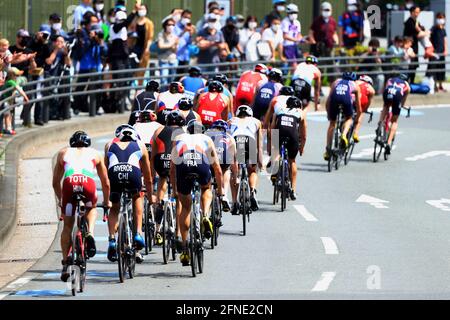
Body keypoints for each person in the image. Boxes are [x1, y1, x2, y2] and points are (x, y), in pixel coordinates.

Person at [52, 131, 111, 282]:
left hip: (69, 183)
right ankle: (90, 233)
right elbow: (105, 182)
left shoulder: (63, 152)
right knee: (91, 208)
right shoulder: (94, 153)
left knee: (67, 225)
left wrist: (61, 200)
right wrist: (106, 201)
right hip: (87, 183)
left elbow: (55, 182)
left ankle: (65, 263)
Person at [170, 120, 224, 265]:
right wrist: (221, 190)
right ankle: (205, 214)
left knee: (186, 208)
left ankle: (185, 247)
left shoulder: (179, 138)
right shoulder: (206, 139)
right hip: (200, 162)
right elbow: (217, 169)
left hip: (184, 164)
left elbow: (172, 169)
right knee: (206, 188)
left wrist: (175, 190)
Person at [105, 125, 153, 263]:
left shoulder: (109, 144)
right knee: (137, 196)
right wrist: (150, 195)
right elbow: (148, 177)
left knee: (115, 207)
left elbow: (106, 169)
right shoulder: (140, 145)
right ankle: (138, 233)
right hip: (133, 174)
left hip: (115, 174)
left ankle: (112, 240)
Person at [269, 96, 306, 200]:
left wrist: (272, 143)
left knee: (276, 153)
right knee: (292, 160)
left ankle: (275, 171)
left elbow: (272, 126)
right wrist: (301, 147)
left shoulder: (279, 109)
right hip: (292, 135)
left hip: (279, 132)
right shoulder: (300, 112)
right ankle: (293, 190)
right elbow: (303, 135)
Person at [229, 105, 263, 213]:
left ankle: (234, 203)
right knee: (252, 171)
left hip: (235, 141)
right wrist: (260, 161)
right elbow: (260, 144)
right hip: (250, 141)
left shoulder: (231, 120)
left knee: (234, 173)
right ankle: (252, 190)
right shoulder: (256, 121)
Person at [324, 72, 361, 161]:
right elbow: (358, 106)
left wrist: (328, 112)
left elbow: (328, 100)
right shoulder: (355, 85)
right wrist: (357, 118)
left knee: (332, 124)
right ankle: (344, 135)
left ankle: (328, 150)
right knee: (349, 119)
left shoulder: (336, 82)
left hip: (334, 99)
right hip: (346, 99)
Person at [205, 119, 237, 212]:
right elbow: (234, 161)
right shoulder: (229, 137)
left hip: (210, 158)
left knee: (209, 173)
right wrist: (235, 176)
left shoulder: (207, 135)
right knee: (226, 169)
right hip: (224, 156)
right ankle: (224, 194)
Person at [380, 74, 411, 155]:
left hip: (388, 92)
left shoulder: (390, 79)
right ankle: (389, 143)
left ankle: (380, 124)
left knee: (386, 106)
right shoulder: (406, 84)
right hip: (397, 95)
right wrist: (402, 105)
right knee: (394, 121)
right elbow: (403, 99)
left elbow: (384, 89)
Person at [309, 2, 338, 83]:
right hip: (320, 48)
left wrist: (336, 40)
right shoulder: (317, 21)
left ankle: (332, 84)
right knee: (320, 67)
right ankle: (319, 86)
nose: (326, 11)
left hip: (330, 47)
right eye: (325, 10)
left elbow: (334, 33)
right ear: (321, 10)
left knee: (331, 67)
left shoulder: (332, 21)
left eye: (328, 10)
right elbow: (311, 32)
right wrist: (314, 42)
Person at [46, 36, 72, 121]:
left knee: (60, 95)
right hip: (50, 75)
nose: (60, 44)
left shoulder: (63, 52)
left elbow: (69, 64)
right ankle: (50, 114)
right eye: (58, 41)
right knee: (51, 95)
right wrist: (56, 50)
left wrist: (66, 53)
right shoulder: (50, 49)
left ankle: (59, 113)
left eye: (62, 42)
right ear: (54, 42)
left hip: (59, 76)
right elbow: (49, 61)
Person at [1, 68, 30, 135]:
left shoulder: (10, 81)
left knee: (9, 115)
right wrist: (26, 98)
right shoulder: (11, 82)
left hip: (8, 101)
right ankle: (8, 129)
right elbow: (19, 89)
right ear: (12, 76)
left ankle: (8, 128)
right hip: (5, 101)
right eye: (16, 75)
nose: (17, 77)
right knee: (7, 115)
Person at [403, 5, 427, 84]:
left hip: (415, 47)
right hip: (409, 47)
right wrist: (423, 33)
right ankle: (406, 83)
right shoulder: (409, 22)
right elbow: (418, 34)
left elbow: (422, 29)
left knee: (414, 66)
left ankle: (412, 83)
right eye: (416, 12)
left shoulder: (416, 22)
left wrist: (422, 31)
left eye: (418, 12)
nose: (417, 14)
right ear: (411, 12)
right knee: (409, 66)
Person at [133, 3, 154, 86]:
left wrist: (147, 48)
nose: (142, 11)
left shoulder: (149, 23)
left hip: (144, 48)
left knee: (142, 70)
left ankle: (139, 87)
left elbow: (150, 37)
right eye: (140, 9)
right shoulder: (134, 21)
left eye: (143, 9)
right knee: (134, 69)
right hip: (135, 48)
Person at [427, 13, 447, 92]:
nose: (440, 19)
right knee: (434, 69)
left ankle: (440, 85)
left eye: (442, 18)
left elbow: (444, 40)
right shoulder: (434, 28)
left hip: (442, 52)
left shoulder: (443, 29)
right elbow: (429, 37)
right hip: (435, 52)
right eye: (439, 18)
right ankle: (434, 86)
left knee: (441, 69)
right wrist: (431, 49)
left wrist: (445, 50)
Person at [281, 4, 303, 74]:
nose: (294, 14)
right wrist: (295, 40)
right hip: (288, 46)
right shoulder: (285, 22)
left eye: (295, 13)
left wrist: (302, 39)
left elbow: (299, 34)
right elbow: (285, 36)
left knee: (300, 65)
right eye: (292, 13)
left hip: (296, 46)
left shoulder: (297, 22)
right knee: (293, 65)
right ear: (287, 13)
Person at [353, 75, 375, 143]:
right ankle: (355, 133)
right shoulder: (370, 88)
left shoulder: (355, 82)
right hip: (361, 101)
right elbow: (368, 102)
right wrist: (365, 109)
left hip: (350, 99)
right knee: (361, 112)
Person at [157, 18, 179, 85]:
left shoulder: (175, 36)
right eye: (169, 24)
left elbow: (175, 50)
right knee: (164, 81)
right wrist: (172, 44)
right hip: (164, 61)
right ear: (165, 26)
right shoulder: (161, 34)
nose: (171, 26)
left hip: (173, 60)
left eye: (173, 25)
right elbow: (161, 46)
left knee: (172, 81)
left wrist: (174, 45)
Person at [174, 10, 196, 77]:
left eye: (188, 18)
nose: (187, 19)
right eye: (185, 17)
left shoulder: (190, 27)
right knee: (175, 77)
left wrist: (191, 34)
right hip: (177, 56)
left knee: (184, 76)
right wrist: (184, 31)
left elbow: (190, 42)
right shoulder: (175, 26)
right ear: (181, 16)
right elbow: (174, 39)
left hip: (186, 55)